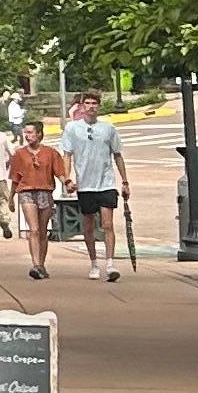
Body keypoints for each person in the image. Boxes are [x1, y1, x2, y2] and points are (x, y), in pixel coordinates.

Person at [59, 93, 132, 283]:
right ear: (82, 106)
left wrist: (124, 181)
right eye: (87, 103)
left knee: (107, 225)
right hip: (85, 185)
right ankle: (93, 263)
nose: (91, 107)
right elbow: (67, 154)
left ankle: (110, 263)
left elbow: (117, 155)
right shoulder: (73, 128)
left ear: (99, 106)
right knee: (88, 226)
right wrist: (67, 179)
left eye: (94, 103)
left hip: (106, 183)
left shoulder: (108, 128)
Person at [6, 116, 61, 278]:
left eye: (30, 133)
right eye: (26, 133)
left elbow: (59, 172)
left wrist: (68, 182)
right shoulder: (20, 154)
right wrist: (11, 198)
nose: (27, 136)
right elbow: (16, 178)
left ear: (39, 134)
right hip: (26, 193)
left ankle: (42, 264)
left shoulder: (50, 153)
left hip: (45, 192)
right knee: (34, 229)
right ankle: (36, 264)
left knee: (43, 231)